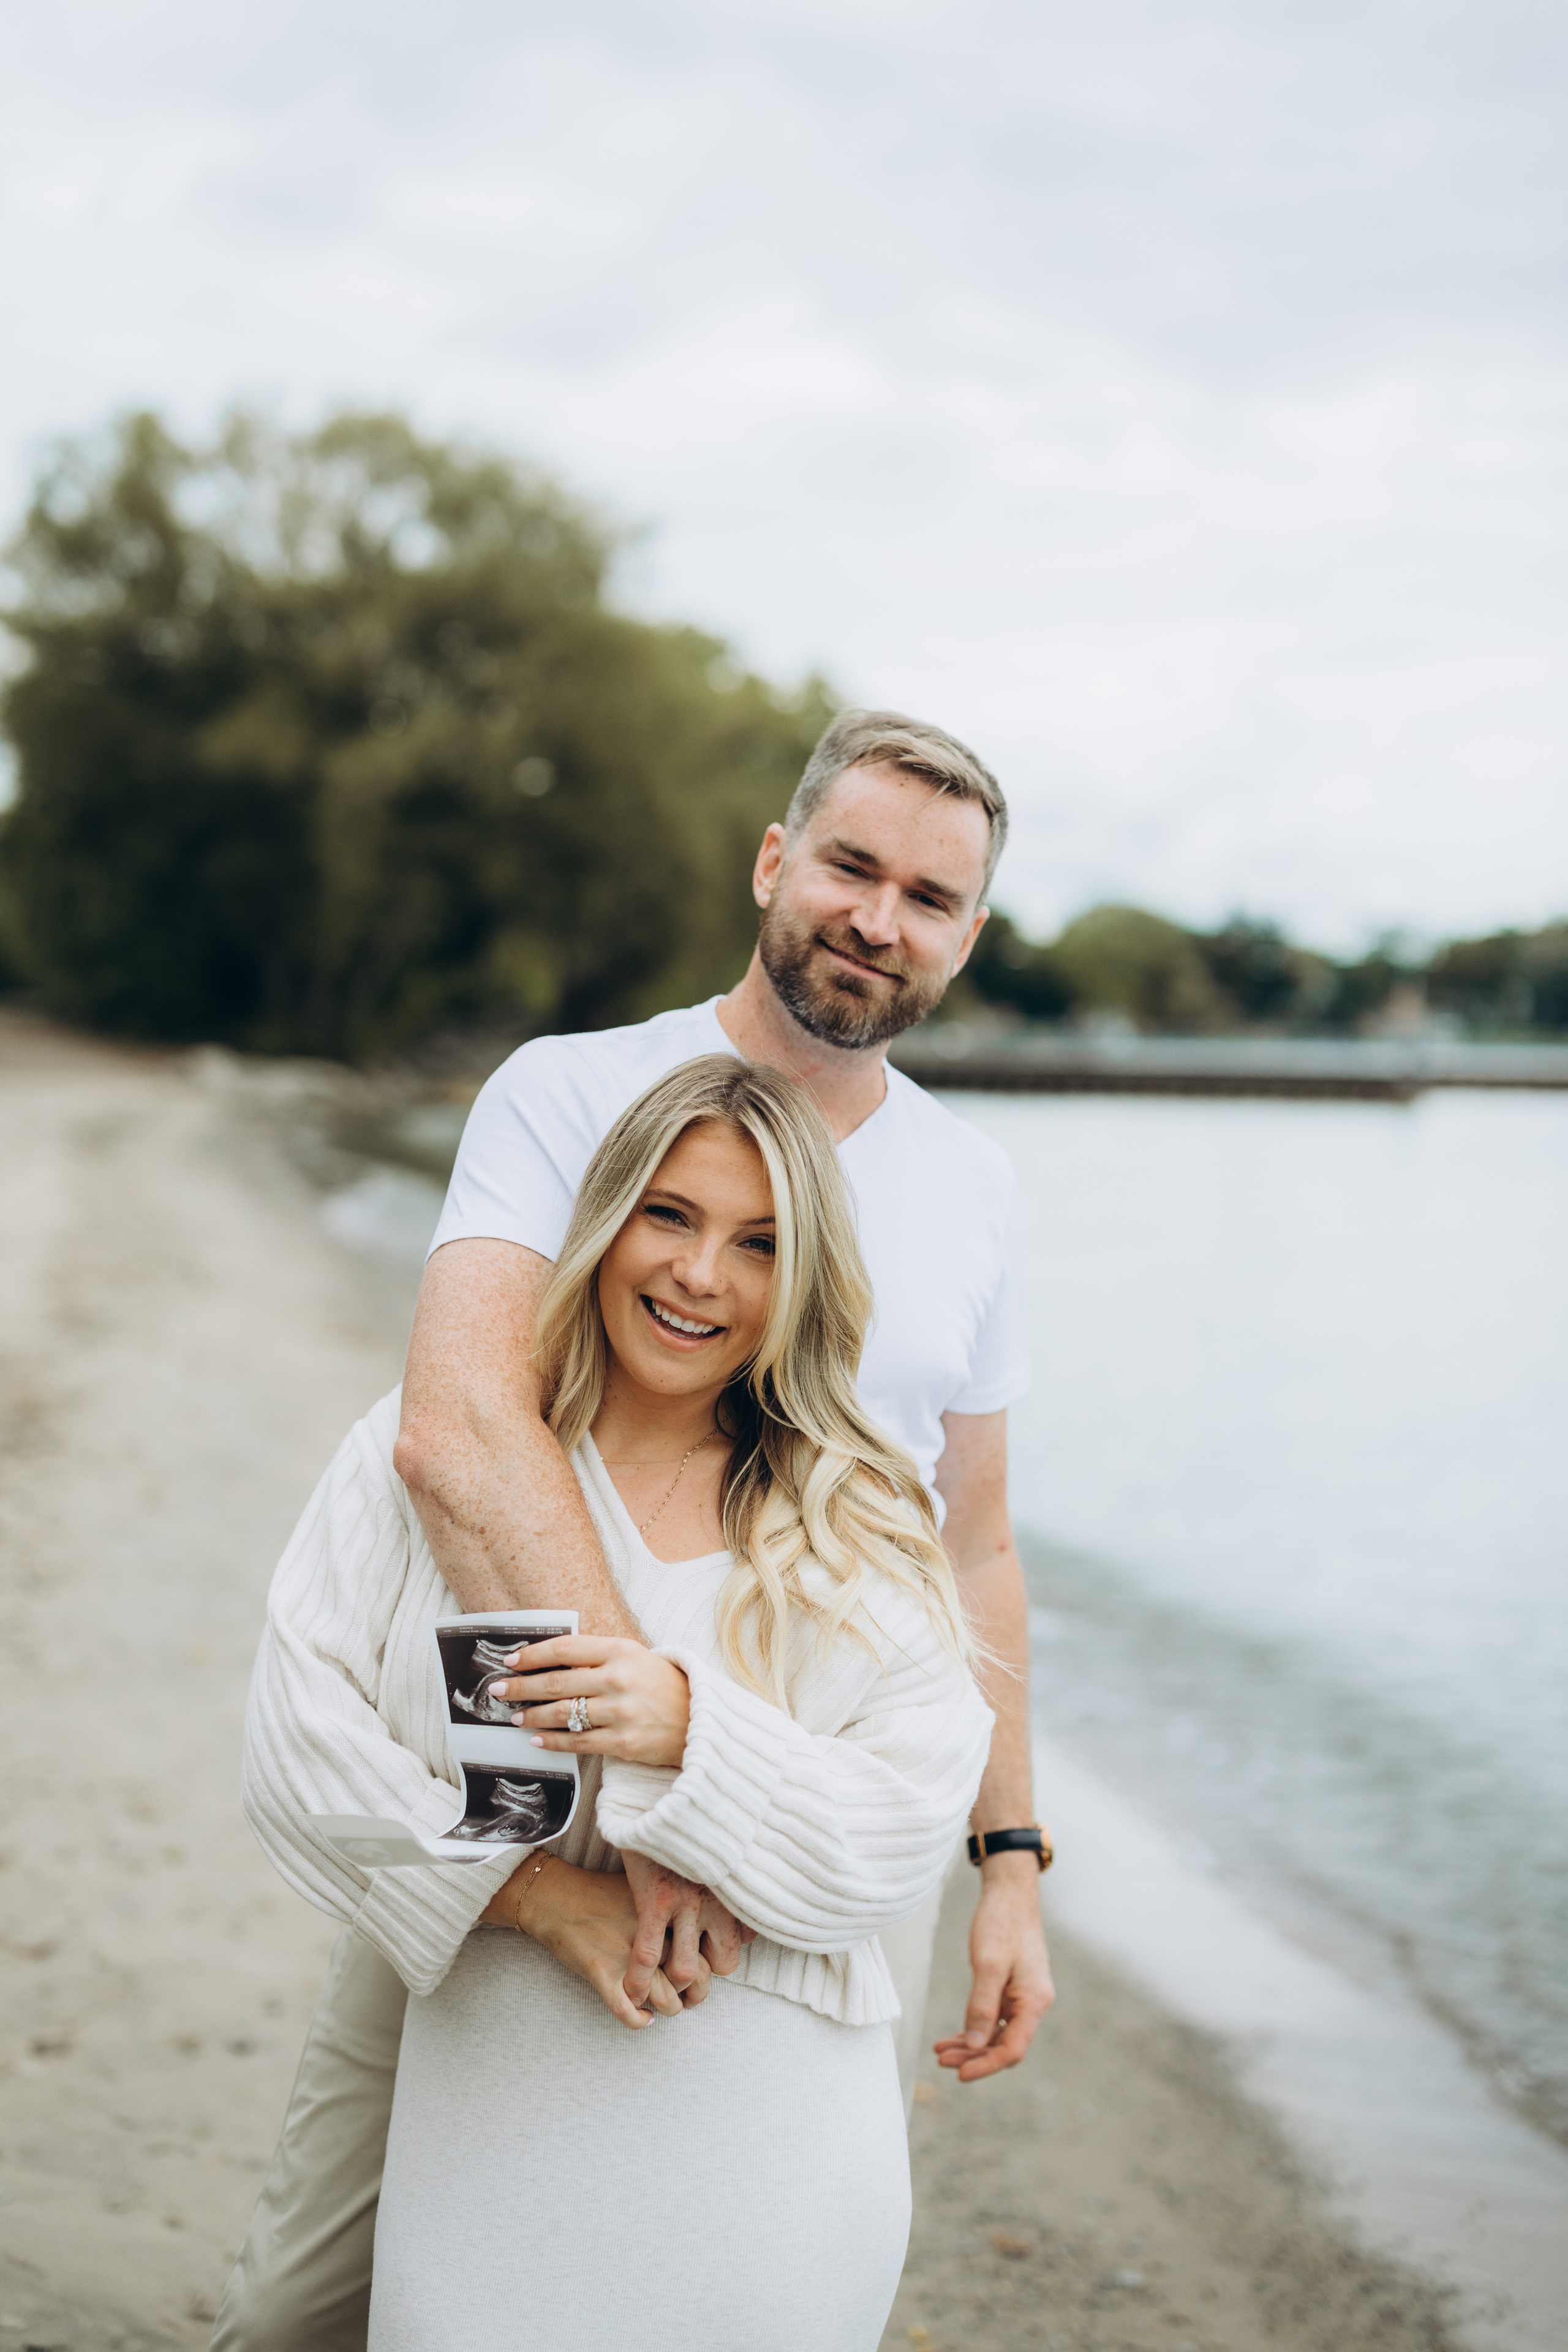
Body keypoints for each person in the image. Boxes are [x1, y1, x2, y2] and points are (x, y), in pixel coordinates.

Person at [213, 709, 1054, 2352]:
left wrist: (1008, 1859)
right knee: (324, 2297)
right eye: (851, 866)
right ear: (774, 860)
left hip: (821, 1823)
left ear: (965, 935)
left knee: (750, 2262)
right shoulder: (577, 1091)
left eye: (932, 899)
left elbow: (975, 1545)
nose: (880, 920)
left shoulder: (977, 1186)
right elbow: (460, 1431)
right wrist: (650, 1783)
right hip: (509, 1773)